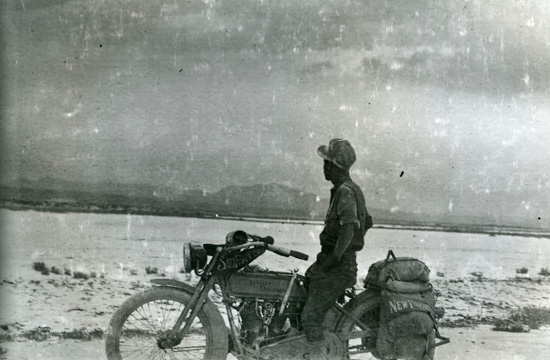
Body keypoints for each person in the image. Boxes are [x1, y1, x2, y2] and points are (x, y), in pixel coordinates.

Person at [301, 138, 373, 358]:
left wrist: (338, 255)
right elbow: (367, 221)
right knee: (303, 287)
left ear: (334, 166)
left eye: (326, 163)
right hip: (336, 262)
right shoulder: (351, 189)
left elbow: (350, 225)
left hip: (338, 266)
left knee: (310, 317)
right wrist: (350, 246)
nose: (324, 167)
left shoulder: (344, 191)